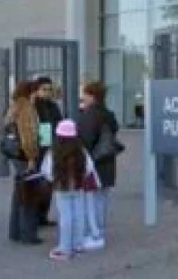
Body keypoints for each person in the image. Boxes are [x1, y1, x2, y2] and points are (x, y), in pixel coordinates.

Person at [39, 120, 101, 261]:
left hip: (61, 187)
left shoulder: (54, 152)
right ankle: (78, 245)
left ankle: (65, 247)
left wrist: (54, 180)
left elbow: (47, 171)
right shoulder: (81, 151)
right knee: (79, 215)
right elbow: (89, 168)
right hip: (78, 186)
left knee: (65, 217)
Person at [76, 81, 120, 247]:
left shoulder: (90, 115)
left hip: (93, 163)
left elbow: (85, 140)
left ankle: (93, 234)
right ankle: (99, 231)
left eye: (86, 94)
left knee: (91, 200)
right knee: (102, 199)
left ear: (92, 96)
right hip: (107, 161)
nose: (83, 97)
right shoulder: (108, 114)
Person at [3, 81, 44, 246]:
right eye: (35, 91)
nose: (37, 95)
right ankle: (28, 233)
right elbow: (28, 135)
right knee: (29, 194)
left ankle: (15, 230)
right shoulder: (27, 108)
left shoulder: (14, 106)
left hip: (15, 154)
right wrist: (32, 157)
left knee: (19, 193)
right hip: (25, 155)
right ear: (30, 92)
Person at [33, 76, 63, 227]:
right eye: (44, 89)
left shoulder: (53, 106)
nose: (47, 92)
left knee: (48, 182)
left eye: (49, 89)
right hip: (38, 149)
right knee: (38, 182)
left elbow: (59, 123)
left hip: (51, 147)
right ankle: (35, 215)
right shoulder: (34, 106)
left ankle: (42, 215)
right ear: (37, 90)